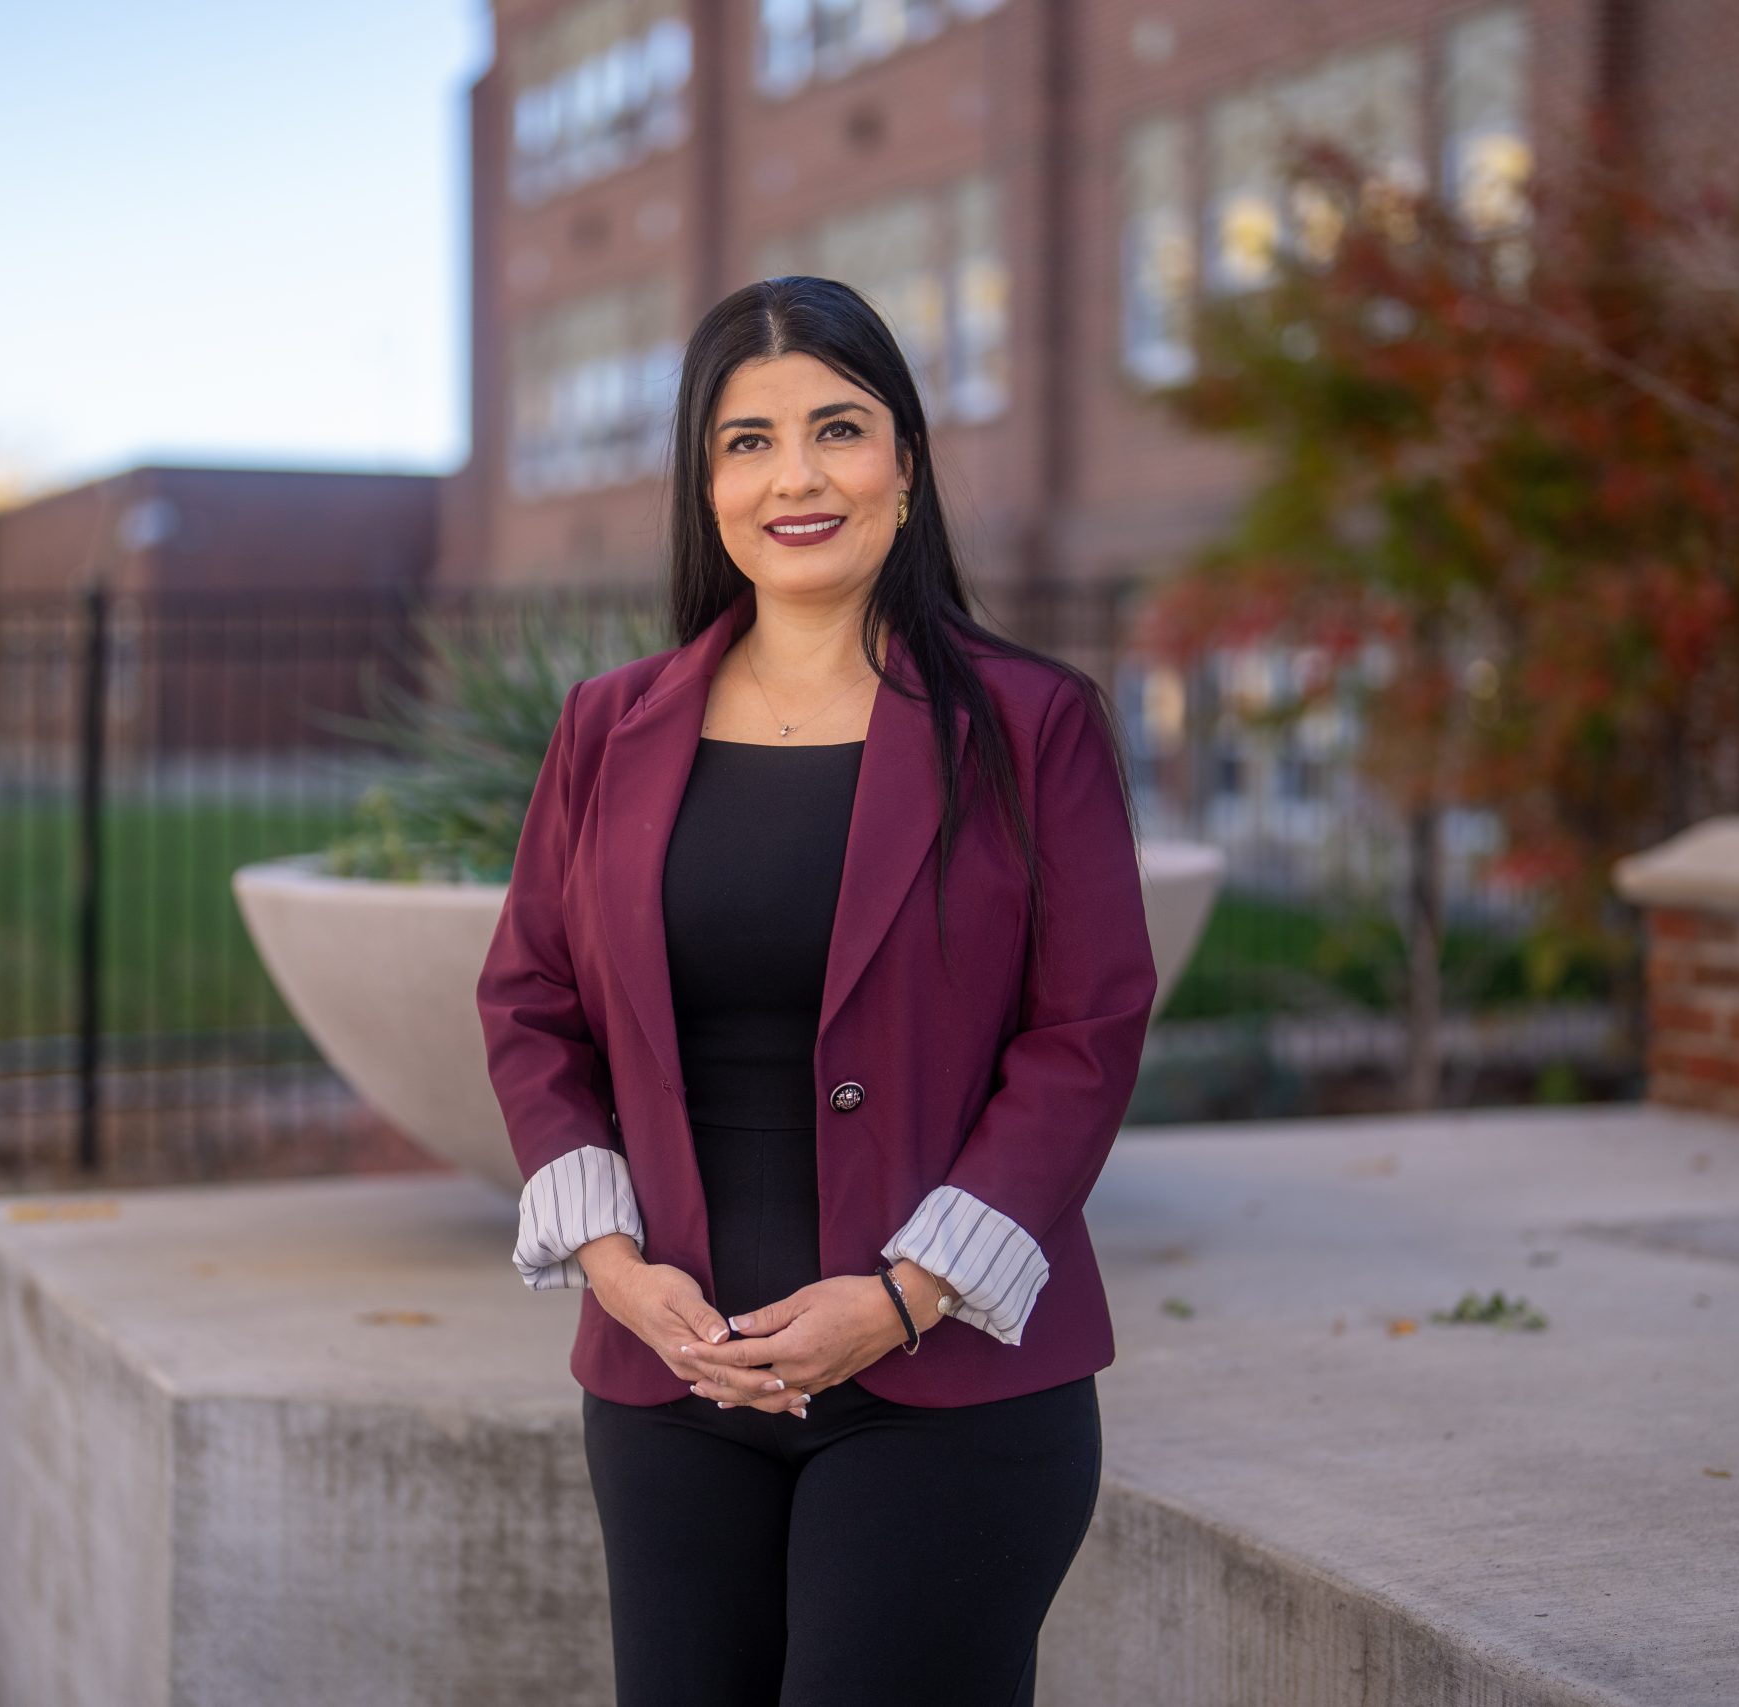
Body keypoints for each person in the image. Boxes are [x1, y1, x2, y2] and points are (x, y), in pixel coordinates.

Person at [475, 274, 1158, 1707]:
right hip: (671, 1389)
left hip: (950, 1401)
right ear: (704, 483)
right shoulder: (609, 727)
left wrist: (906, 1297)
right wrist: (614, 1270)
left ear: (904, 467)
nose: (795, 476)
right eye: (747, 441)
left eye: (838, 430)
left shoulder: (1033, 728)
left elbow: (1084, 1035)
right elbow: (532, 1000)